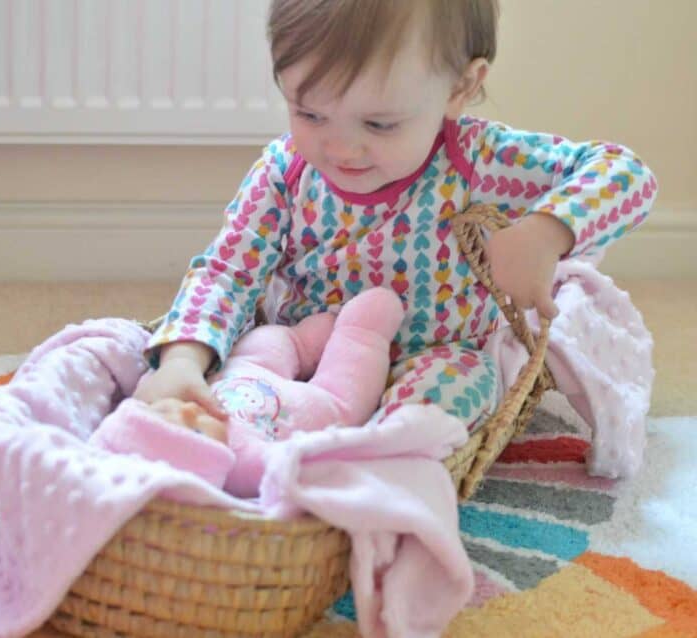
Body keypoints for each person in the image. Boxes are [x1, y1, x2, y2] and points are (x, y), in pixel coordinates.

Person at [134, 0, 657, 435]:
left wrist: (548, 231)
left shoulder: (474, 158)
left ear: (460, 88)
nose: (339, 147)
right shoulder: (285, 171)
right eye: (309, 113)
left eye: (379, 123)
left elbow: (625, 173)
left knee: (441, 401)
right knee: (235, 384)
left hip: (431, 356)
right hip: (306, 358)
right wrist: (182, 361)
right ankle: (255, 449)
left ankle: (372, 464)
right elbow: (228, 272)